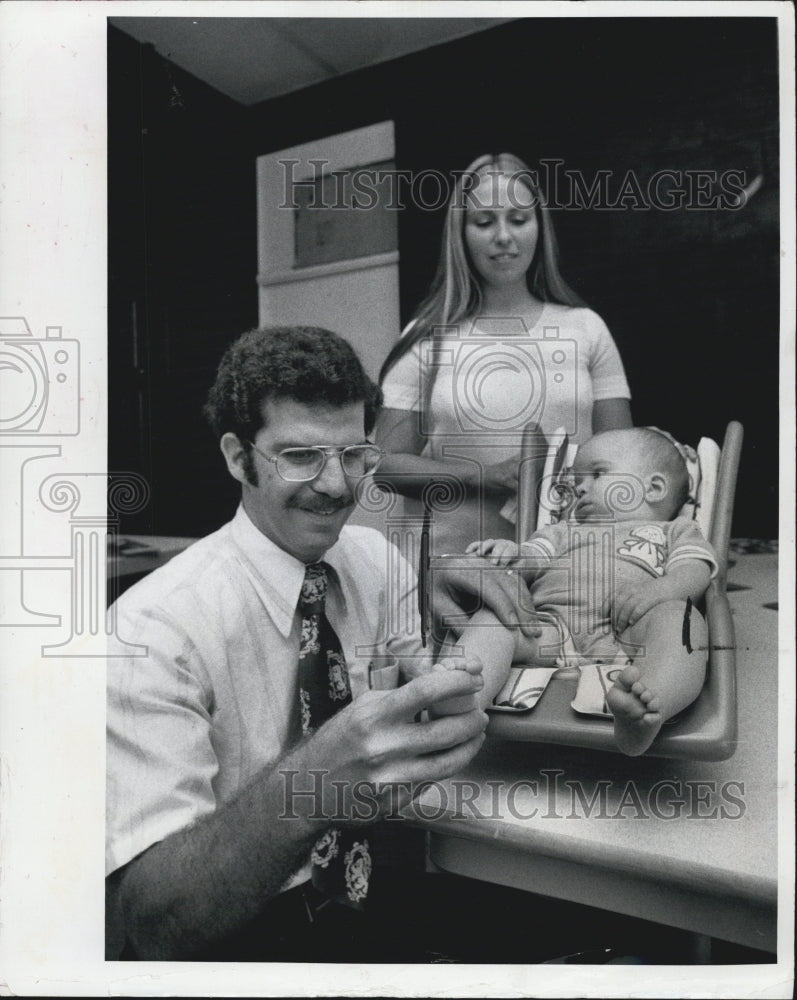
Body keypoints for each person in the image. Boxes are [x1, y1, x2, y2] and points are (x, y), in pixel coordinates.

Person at [104, 325, 503, 962]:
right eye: (299, 457)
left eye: (354, 455)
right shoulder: (151, 631)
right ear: (238, 458)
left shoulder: (375, 560)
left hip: (374, 895)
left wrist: (488, 612)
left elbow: (428, 702)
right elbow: (154, 921)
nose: (338, 486)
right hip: (236, 942)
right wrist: (313, 785)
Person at [376, 151, 633, 557]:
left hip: (568, 568)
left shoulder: (586, 328)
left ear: (539, 227)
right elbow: (385, 467)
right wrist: (485, 477)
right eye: (484, 222)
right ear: (460, 234)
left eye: (518, 219)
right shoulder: (427, 338)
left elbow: (624, 460)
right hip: (454, 568)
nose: (503, 236)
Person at [435, 428, 717, 756]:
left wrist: (659, 591)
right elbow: (529, 560)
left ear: (653, 488)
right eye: (575, 483)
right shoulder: (562, 530)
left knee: (682, 619)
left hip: (630, 632)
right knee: (497, 617)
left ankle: (649, 705)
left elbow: (694, 572)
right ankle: (464, 695)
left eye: (597, 474)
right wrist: (508, 554)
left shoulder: (676, 530)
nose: (580, 488)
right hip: (550, 629)